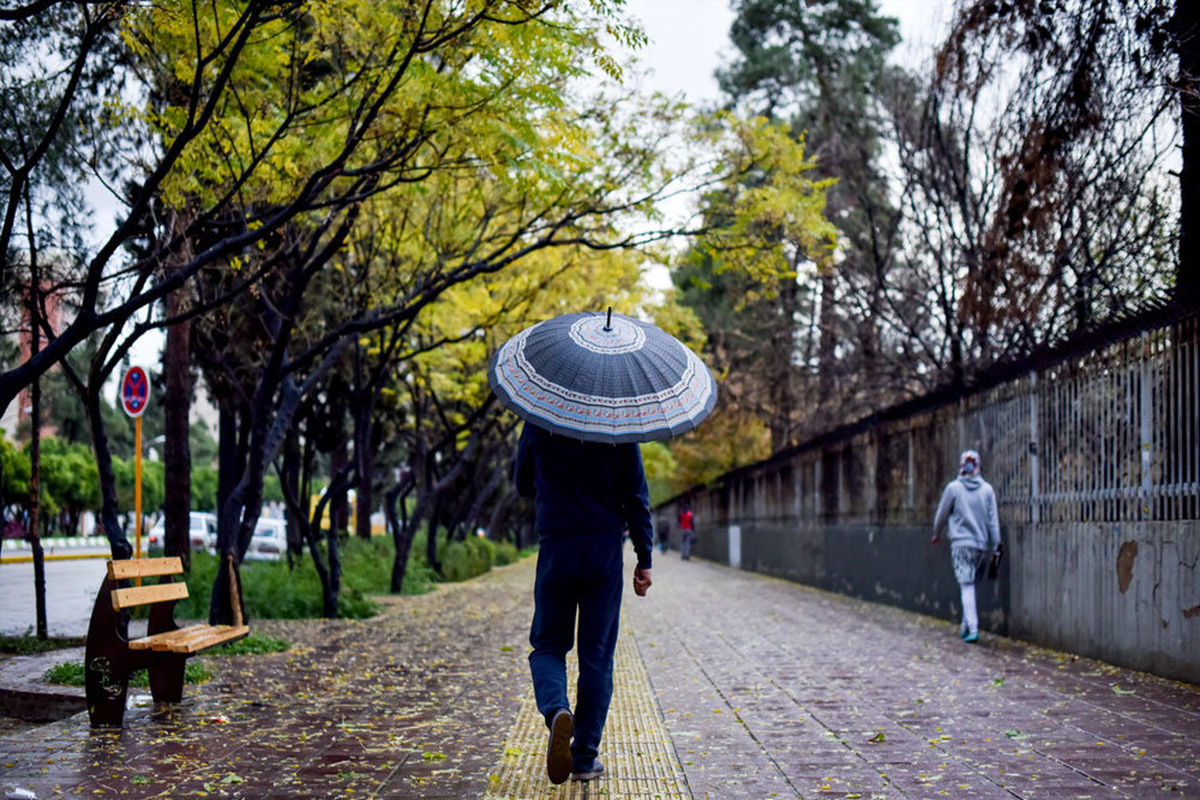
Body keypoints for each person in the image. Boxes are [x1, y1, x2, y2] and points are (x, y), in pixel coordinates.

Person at [515, 422, 654, 784]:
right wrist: (644, 557)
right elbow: (637, 496)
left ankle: (557, 710)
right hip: (603, 551)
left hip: (557, 546)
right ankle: (584, 757)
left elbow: (522, 484)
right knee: (597, 656)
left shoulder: (539, 418)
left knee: (547, 645)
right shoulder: (618, 421)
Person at [932, 449, 1001, 643]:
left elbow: (941, 514)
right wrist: (996, 544)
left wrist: (936, 534)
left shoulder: (953, 489)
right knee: (970, 586)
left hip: (961, 544)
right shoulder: (987, 490)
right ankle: (965, 626)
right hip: (981, 545)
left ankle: (973, 628)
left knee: (966, 585)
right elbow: (993, 521)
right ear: (978, 466)